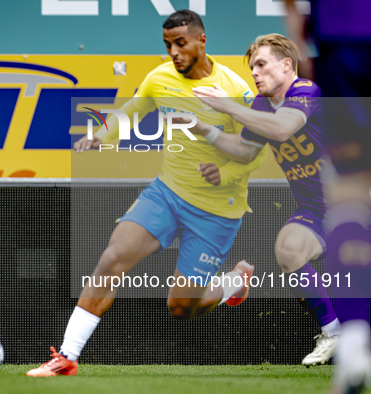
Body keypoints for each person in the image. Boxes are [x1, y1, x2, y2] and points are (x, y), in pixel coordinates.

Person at [26, 10, 266, 377]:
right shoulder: (159, 78)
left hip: (217, 210)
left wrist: (227, 171)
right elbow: (131, 112)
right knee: (112, 258)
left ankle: (233, 282)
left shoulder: (234, 89)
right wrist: (100, 135)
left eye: (181, 43)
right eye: (168, 44)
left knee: (181, 307)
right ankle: (67, 357)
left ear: (202, 41)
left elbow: (256, 151)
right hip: (168, 193)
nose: (173, 51)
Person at [186, 33, 340, 366]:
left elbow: (282, 129)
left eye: (261, 64)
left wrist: (225, 104)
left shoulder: (306, 91)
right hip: (316, 210)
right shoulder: (260, 104)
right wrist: (201, 128)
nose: (254, 73)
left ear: (287, 65)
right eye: (251, 66)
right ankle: (334, 333)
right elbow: (244, 150)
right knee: (288, 248)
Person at [285, 1, 371, 392]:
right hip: (343, 41)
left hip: (345, 43)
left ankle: (353, 345)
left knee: (350, 195)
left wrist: (301, 43)